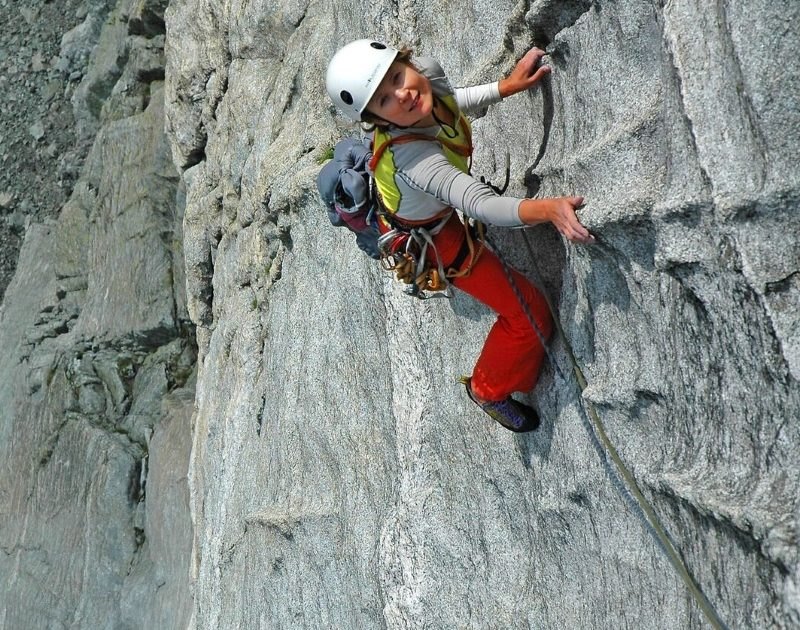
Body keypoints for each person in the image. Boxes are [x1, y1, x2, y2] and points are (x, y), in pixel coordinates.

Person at [325, 39, 594, 432]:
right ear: (377, 120)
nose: (402, 94)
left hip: (427, 211)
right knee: (530, 312)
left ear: (407, 62)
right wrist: (548, 209)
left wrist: (506, 86)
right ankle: (486, 389)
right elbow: (479, 204)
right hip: (434, 241)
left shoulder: (426, 79)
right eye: (384, 100)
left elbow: (449, 103)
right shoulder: (415, 161)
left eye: (397, 76)